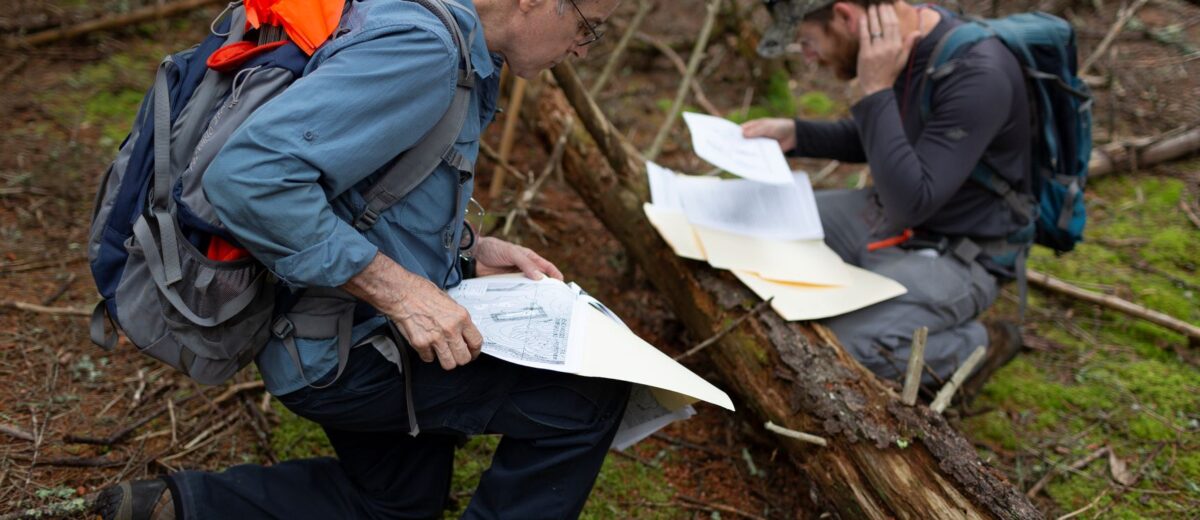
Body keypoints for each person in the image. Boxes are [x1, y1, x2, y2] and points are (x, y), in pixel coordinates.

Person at [94, 0, 627, 518]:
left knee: (399, 503)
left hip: (314, 324)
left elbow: (361, 189)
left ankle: (186, 505)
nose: (583, 49)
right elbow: (248, 180)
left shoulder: (441, 34)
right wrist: (401, 292)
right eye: (589, 27)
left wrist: (466, 251)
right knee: (589, 398)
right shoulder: (425, 50)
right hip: (339, 351)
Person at [743, 0, 1026, 392]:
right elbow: (893, 138)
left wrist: (874, 87)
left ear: (844, 16)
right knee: (758, 217)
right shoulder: (903, 45)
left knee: (842, 347)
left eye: (807, 41)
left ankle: (976, 345)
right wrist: (798, 133)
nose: (807, 57)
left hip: (961, 251)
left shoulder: (977, 71)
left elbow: (912, 200)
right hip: (890, 217)